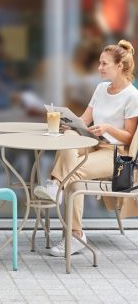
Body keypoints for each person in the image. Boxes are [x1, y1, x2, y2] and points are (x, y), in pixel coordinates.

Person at [33, 40, 138, 256]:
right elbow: (84, 120)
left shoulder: (132, 96)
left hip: (116, 154)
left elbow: (129, 137)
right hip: (92, 144)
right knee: (69, 136)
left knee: (74, 174)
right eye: (99, 63)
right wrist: (69, 123)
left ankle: (75, 232)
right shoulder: (100, 89)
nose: (99, 67)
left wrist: (108, 127)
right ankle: (57, 187)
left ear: (120, 66)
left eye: (104, 64)